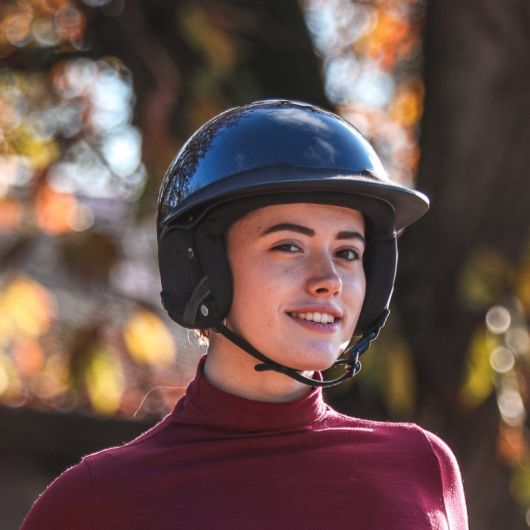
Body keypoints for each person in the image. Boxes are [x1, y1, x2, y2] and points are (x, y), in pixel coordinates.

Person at [22, 100, 468, 529]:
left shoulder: (421, 465)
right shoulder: (94, 503)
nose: (329, 279)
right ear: (202, 270)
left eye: (348, 252)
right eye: (288, 245)